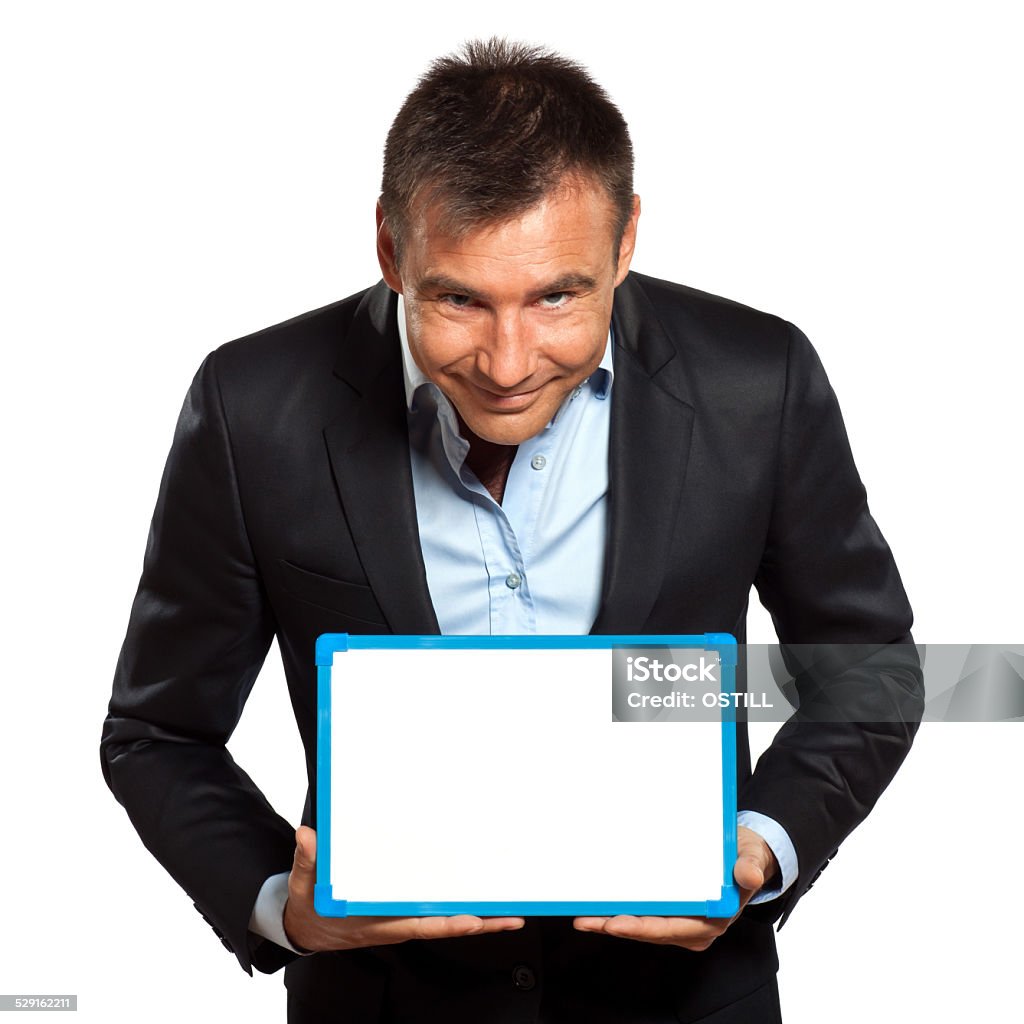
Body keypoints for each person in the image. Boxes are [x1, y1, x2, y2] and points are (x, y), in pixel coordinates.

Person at [101, 38, 922, 1023]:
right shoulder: (252, 407)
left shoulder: (760, 382)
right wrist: (283, 907)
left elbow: (871, 671)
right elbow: (157, 733)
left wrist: (763, 844)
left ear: (623, 246)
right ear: (390, 251)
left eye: (558, 296)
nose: (505, 361)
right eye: (457, 298)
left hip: (689, 1002)